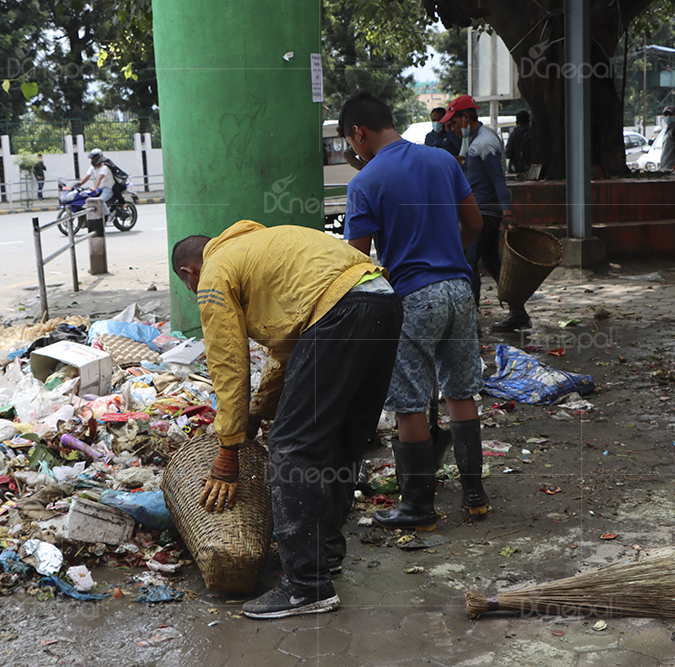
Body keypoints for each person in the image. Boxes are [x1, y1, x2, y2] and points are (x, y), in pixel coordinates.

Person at [171, 222, 402, 619]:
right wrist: (257, 410)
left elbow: (228, 363)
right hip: (382, 299)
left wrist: (228, 450)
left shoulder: (213, 273)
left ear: (188, 273)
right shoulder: (260, 248)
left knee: (291, 445)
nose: (194, 291)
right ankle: (323, 554)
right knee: (343, 434)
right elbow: (288, 350)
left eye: (188, 286)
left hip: (340, 311)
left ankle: (305, 586)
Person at [338, 89, 489, 535]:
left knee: (409, 407)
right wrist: (444, 255)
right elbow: (476, 223)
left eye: (351, 142)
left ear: (359, 133)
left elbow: (358, 260)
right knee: (461, 393)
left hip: (413, 298)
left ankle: (419, 509)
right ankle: (475, 497)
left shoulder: (364, 183)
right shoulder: (443, 161)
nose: (353, 149)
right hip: (460, 289)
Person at [442, 94, 529, 332]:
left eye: (454, 124)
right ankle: (518, 313)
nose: (453, 129)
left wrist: (507, 212)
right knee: (491, 262)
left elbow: (497, 180)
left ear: (466, 117)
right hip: (482, 211)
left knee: (469, 264)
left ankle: (471, 325)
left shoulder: (485, 143)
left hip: (485, 214)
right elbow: (466, 165)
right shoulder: (473, 140)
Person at [78, 148, 114, 213]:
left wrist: (95, 188)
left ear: (99, 159)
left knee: (100, 201)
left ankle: (109, 215)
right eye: (92, 159)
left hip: (108, 188)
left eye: (94, 159)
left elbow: (99, 179)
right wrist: (78, 184)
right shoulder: (92, 168)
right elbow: (86, 177)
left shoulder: (104, 168)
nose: (93, 160)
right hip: (99, 189)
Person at [504, 110, 532, 175]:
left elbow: (508, 153)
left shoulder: (514, 134)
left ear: (517, 122)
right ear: (529, 121)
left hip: (516, 170)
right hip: (531, 170)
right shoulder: (534, 134)